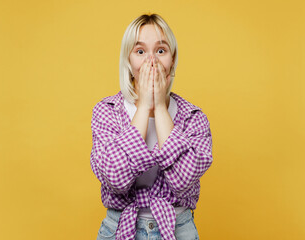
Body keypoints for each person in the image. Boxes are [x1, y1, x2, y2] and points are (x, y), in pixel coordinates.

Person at [90, 13, 213, 240]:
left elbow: (183, 181)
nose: (151, 61)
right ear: (128, 61)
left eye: (160, 50)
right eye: (140, 52)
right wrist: (145, 105)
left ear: (172, 59)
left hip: (178, 228)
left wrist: (160, 108)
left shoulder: (193, 117)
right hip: (119, 227)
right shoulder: (107, 111)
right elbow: (116, 179)